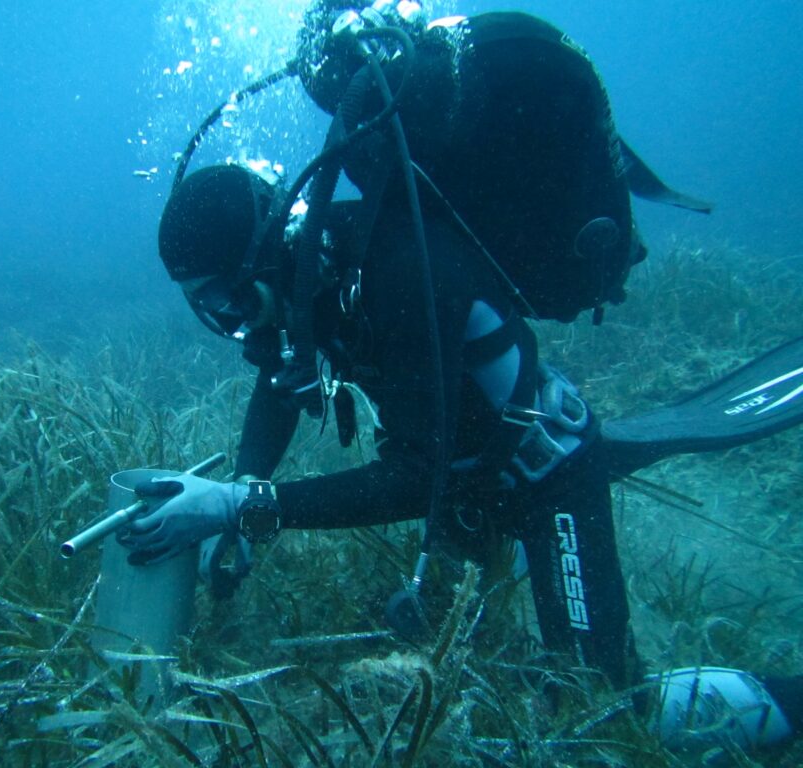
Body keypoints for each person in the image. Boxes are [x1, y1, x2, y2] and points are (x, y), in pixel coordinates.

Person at [122, 1, 802, 755]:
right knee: (462, 656)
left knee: (604, 710)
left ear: (263, 256)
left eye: (226, 299)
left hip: (544, 473)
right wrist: (245, 482)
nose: (232, 323)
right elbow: (281, 381)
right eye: (205, 310)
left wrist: (243, 505)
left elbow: (418, 474)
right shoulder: (306, 280)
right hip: (472, 484)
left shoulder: (395, 270)